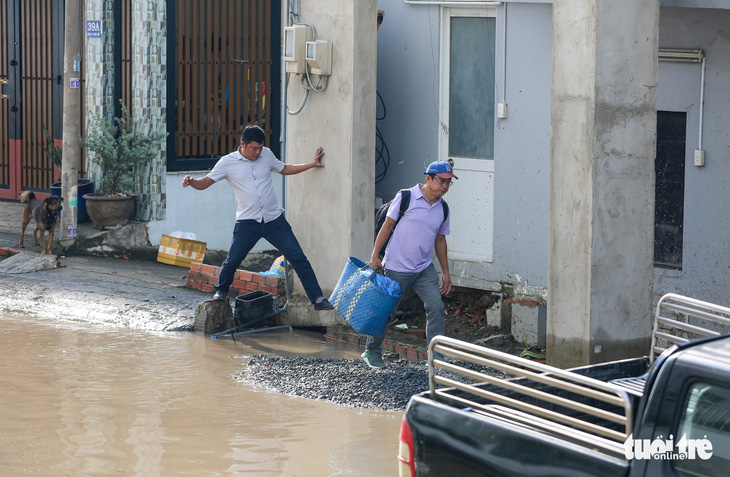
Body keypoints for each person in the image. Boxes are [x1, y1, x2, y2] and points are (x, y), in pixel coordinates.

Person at [182, 125, 334, 311]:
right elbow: (205, 182)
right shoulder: (227, 162)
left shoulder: (267, 155)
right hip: (247, 222)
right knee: (233, 260)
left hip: (274, 220)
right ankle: (220, 291)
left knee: (298, 257)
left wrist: (311, 164)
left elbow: (284, 168)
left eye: (260, 148)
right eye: (254, 148)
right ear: (243, 144)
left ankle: (317, 299)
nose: (258, 152)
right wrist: (192, 182)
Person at [362, 161, 456, 368]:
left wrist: (446, 273)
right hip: (396, 267)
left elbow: (440, 240)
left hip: (423, 268)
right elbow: (387, 226)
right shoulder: (406, 197)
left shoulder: (443, 208)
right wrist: (375, 256)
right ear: (428, 178)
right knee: (388, 312)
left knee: (436, 306)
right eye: (441, 181)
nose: (445, 186)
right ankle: (372, 350)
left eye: (449, 183)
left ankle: (436, 355)